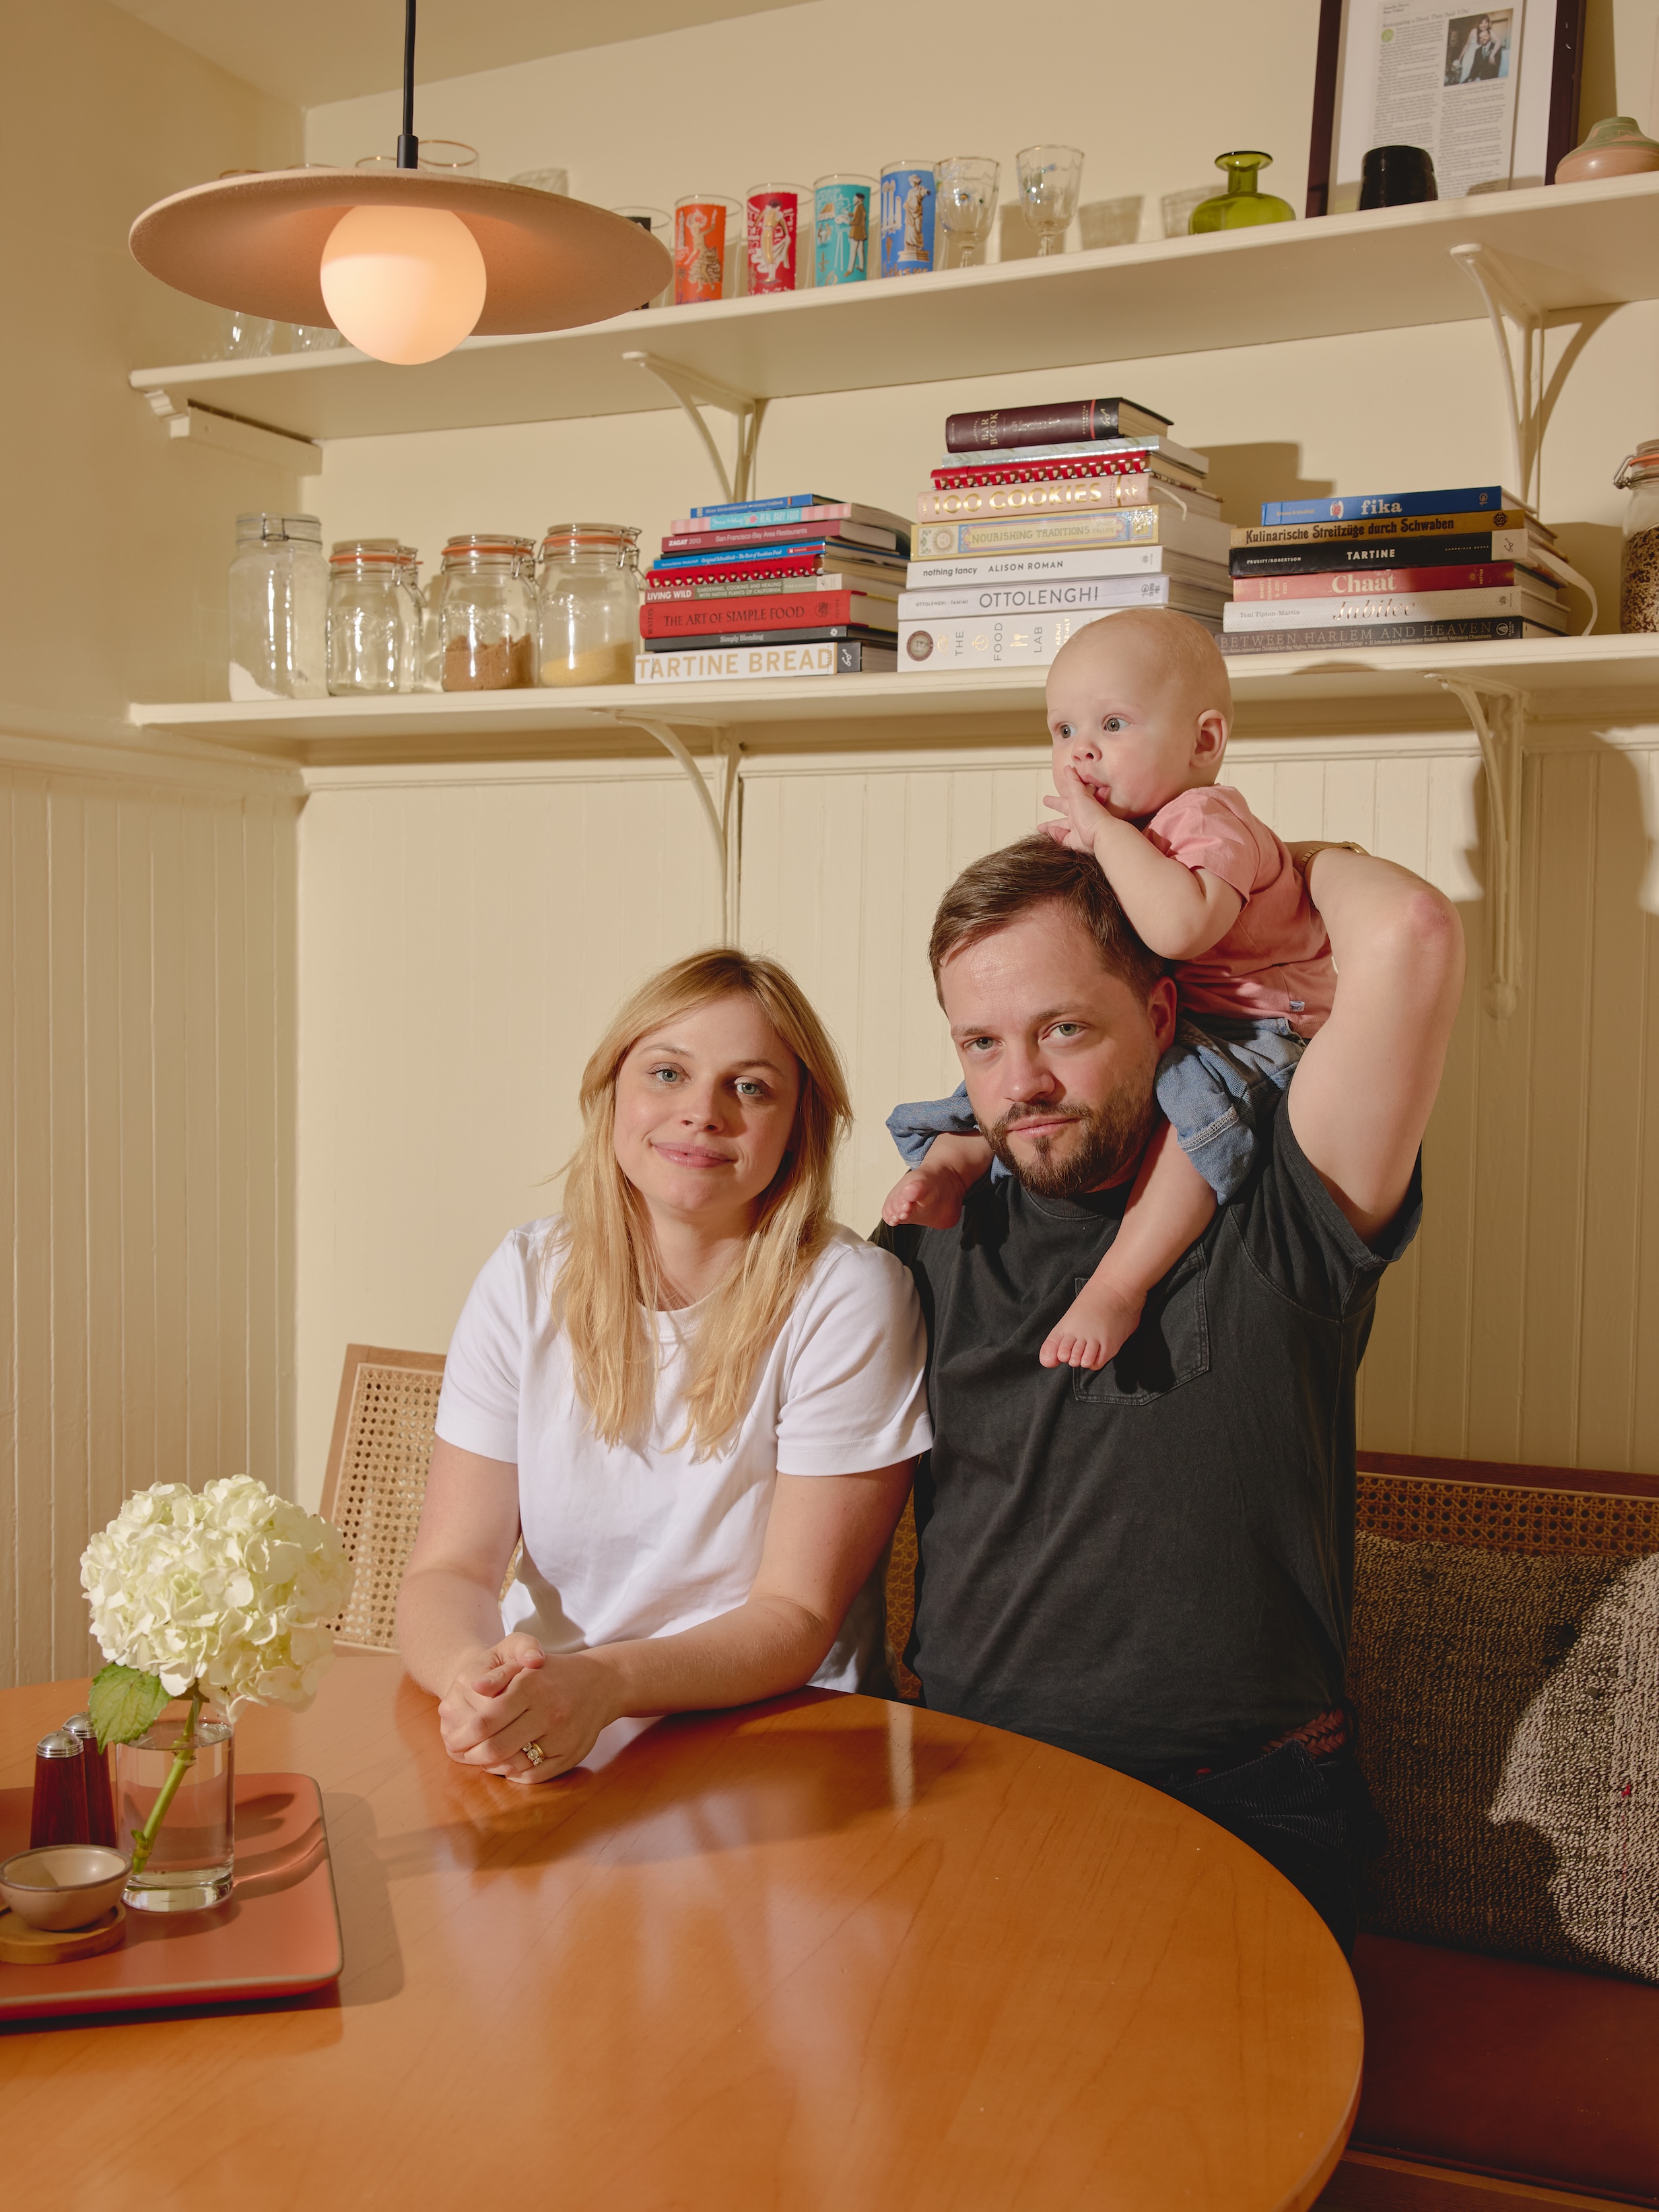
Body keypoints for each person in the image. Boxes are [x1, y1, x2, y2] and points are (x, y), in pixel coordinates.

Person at [874, 826, 1464, 1951]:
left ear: (1156, 1016)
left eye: (1061, 1028)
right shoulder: (932, 1229)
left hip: (1240, 1802)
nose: (1021, 1083)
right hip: (968, 1781)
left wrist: (1216, 864)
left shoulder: (1282, 1202)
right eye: (981, 1044)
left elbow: (1410, 935)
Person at [398, 949, 930, 1782]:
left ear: (799, 1123)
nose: (702, 1113)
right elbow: (450, 1569)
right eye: (668, 1073)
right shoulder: (526, 1274)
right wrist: (477, 1683)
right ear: (613, 1092)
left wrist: (604, 1684)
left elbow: (794, 1616)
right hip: (547, 1729)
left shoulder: (849, 1295)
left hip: (773, 1745)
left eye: (749, 1087)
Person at [884, 610, 1334, 1370]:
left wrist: (1100, 833)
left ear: (1204, 741)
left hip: (1261, 1024)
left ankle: (1120, 1285)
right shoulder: (1114, 827)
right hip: (1191, 1014)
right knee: (1011, 1065)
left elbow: (1180, 929)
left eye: (1113, 724)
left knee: (1196, 1122)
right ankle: (952, 1163)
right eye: (1063, 732)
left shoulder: (1207, 819)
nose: (1081, 750)